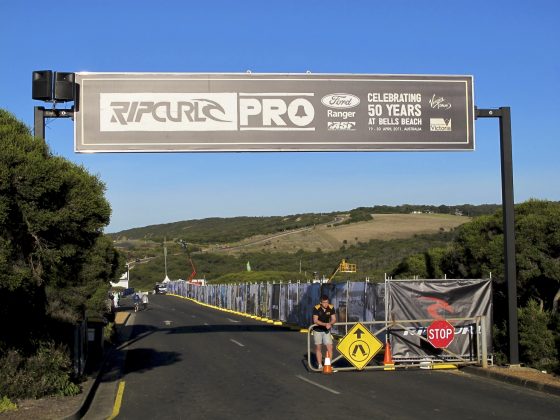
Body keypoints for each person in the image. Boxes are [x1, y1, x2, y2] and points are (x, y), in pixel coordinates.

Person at [312, 294, 337, 369]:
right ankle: (320, 365)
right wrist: (325, 324)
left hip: (326, 330)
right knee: (318, 347)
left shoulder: (331, 307)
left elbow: (334, 319)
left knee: (330, 347)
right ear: (321, 302)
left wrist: (330, 323)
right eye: (324, 302)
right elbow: (315, 320)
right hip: (317, 330)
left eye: (327, 302)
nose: (326, 304)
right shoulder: (316, 308)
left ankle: (328, 364)